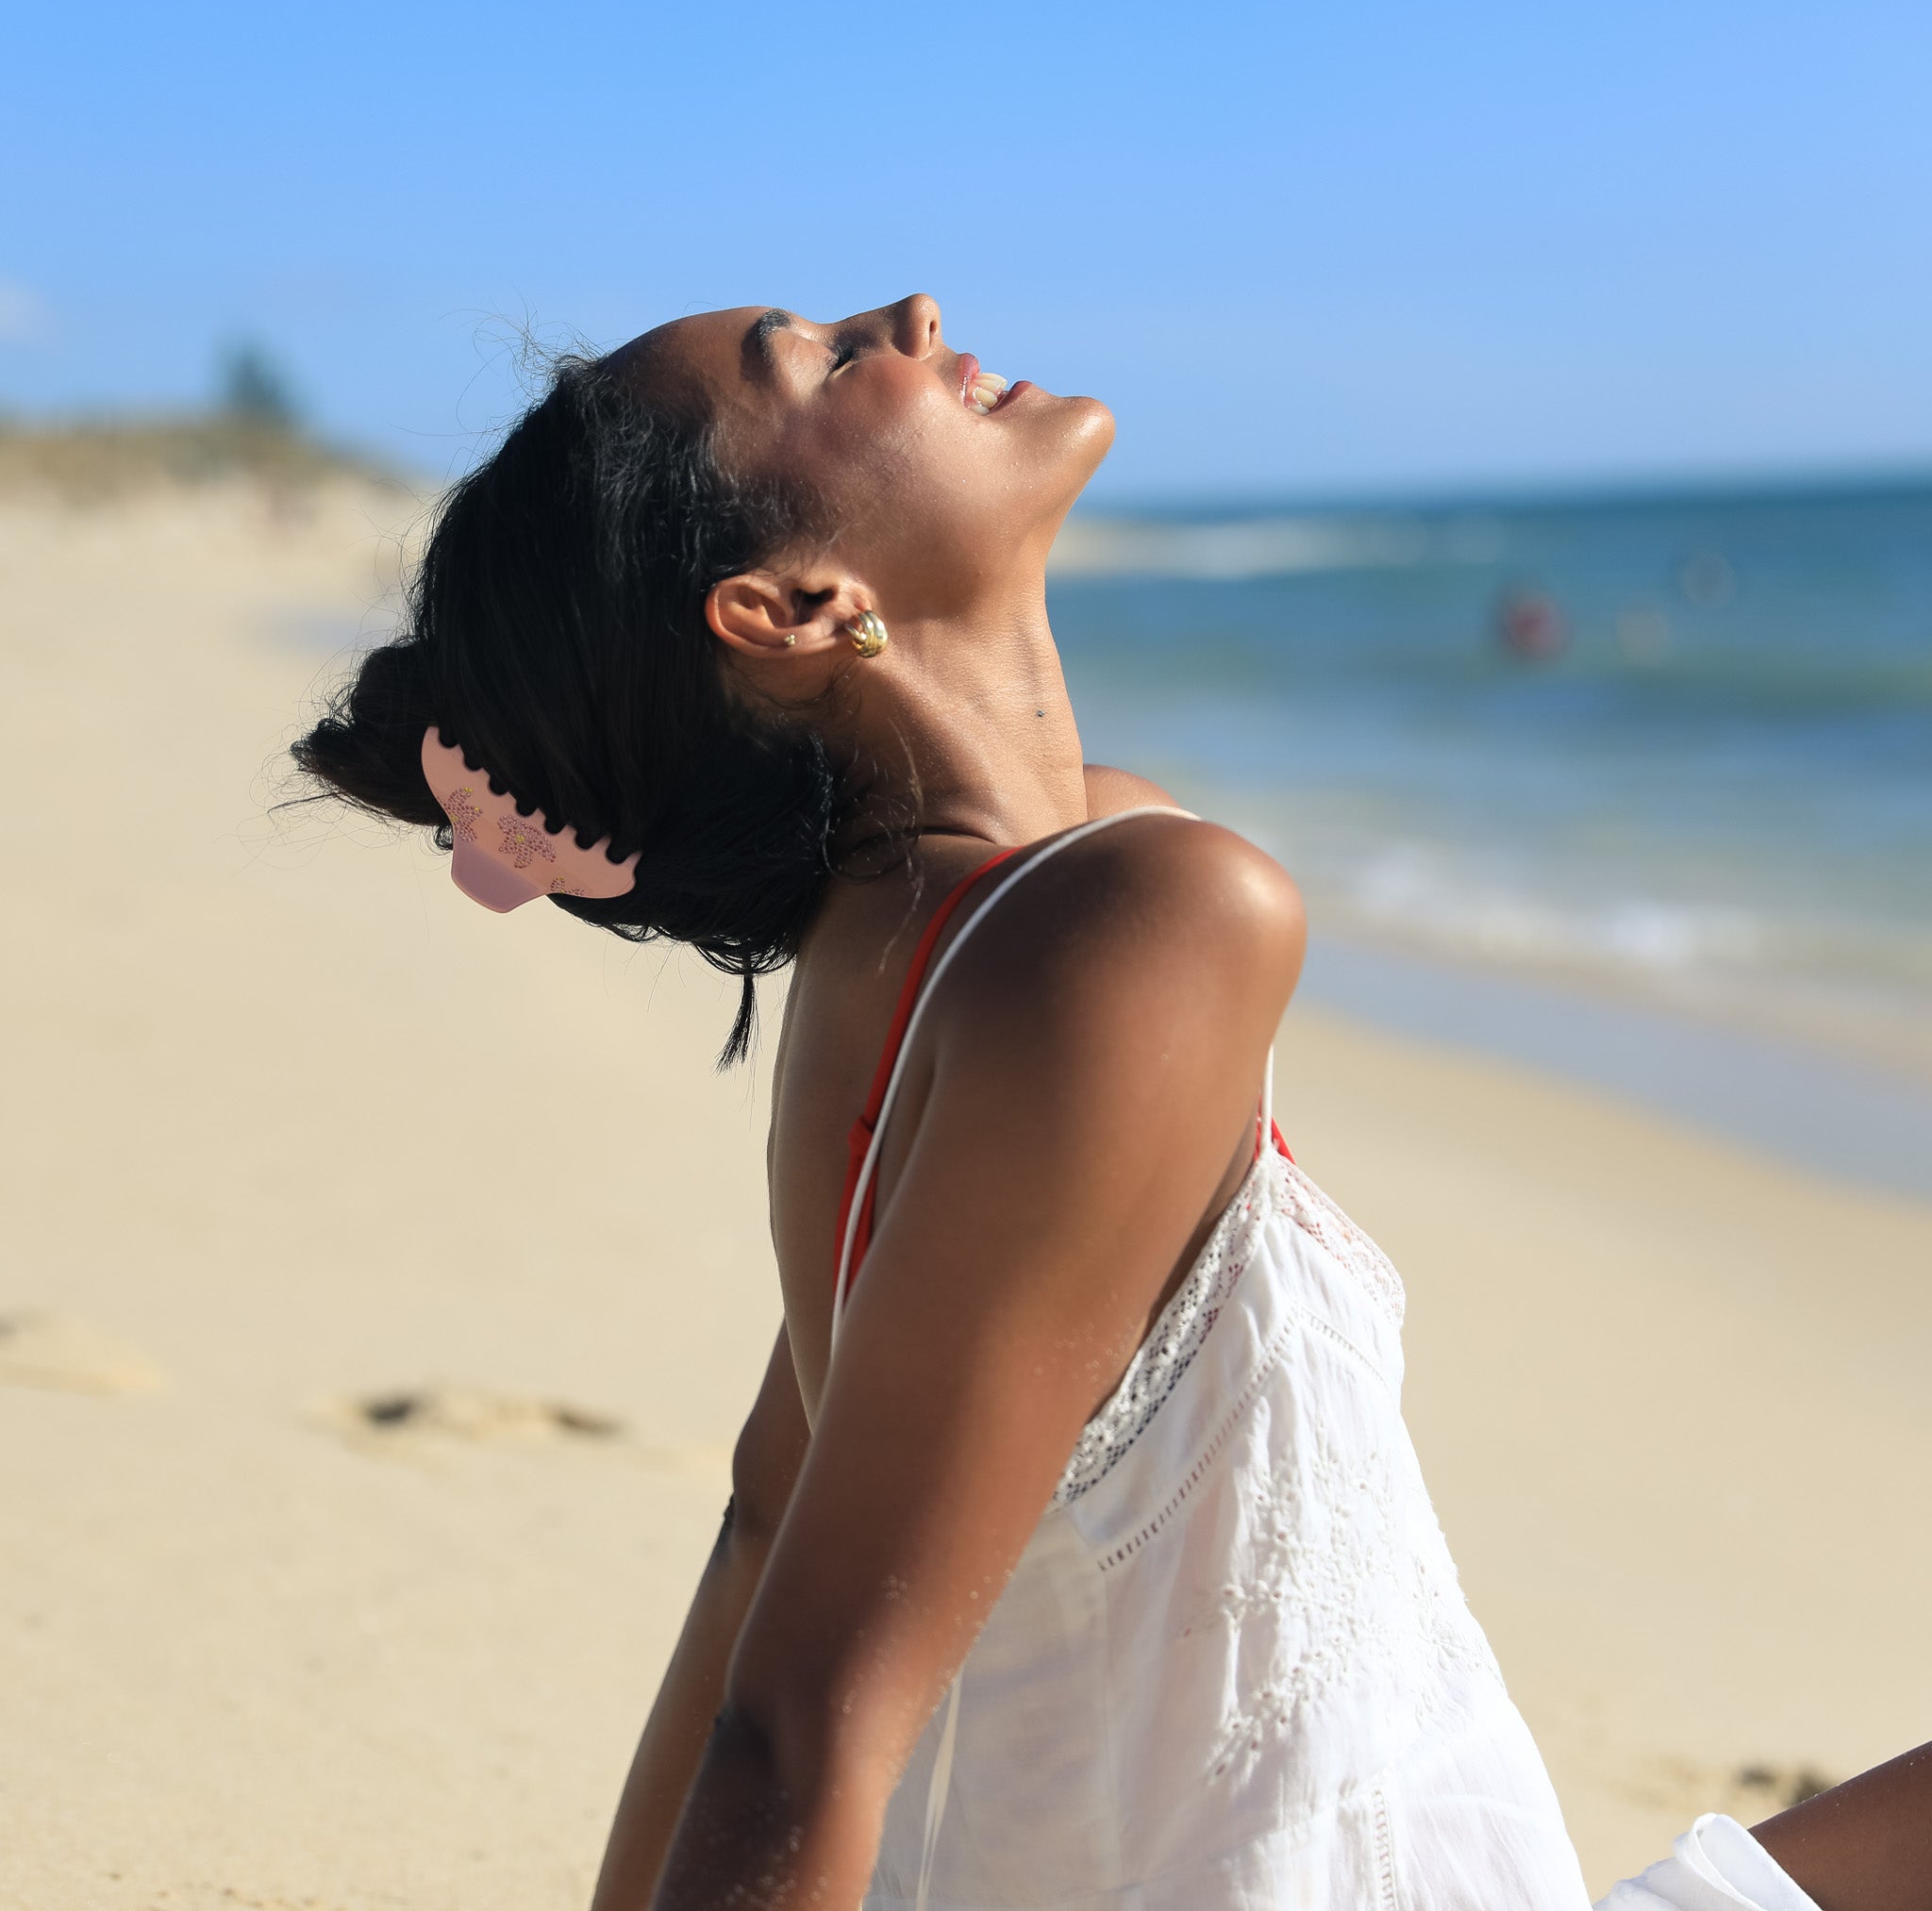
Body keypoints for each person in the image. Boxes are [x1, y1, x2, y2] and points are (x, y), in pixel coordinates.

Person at [291, 296, 1924, 1910]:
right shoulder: (1146, 925)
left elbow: (761, 1536)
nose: (913, 314)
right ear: (793, 607)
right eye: (829, 361)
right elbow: (799, 1729)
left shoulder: (902, 952)